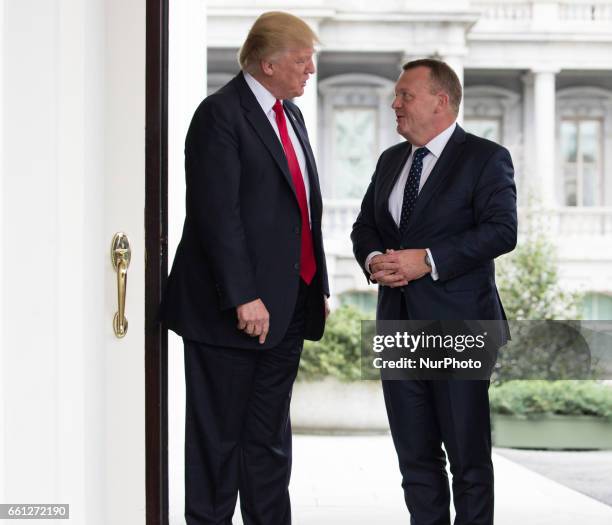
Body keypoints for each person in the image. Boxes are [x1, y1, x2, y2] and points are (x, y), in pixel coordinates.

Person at [161, 11, 329, 525]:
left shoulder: (291, 116)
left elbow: (299, 208)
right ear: (268, 62)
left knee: (269, 441)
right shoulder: (220, 115)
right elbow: (217, 216)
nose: (310, 71)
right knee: (219, 443)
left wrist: (313, 283)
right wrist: (243, 295)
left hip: (289, 305)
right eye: (302, 61)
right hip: (230, 311)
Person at [351, 59, 517, 525]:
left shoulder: (485, 157)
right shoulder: (390, 160)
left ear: (440, 101)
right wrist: (372, 260)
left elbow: (502, 231)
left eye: (406, 95)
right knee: (416, 462)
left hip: (459, 327)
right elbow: (364, 226)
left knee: (468, 462)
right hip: (398, 326)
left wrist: (426, 259)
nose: (395, 103)